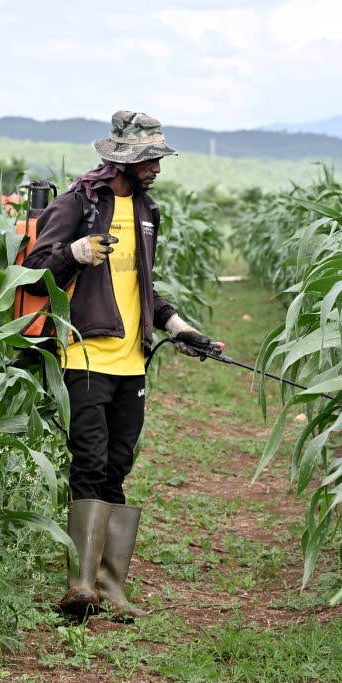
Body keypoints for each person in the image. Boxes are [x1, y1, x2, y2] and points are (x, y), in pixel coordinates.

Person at [21, 110, 219, 621]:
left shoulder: (149, 211)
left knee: (116, 468)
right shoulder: (75, 206)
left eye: (158, 158)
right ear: (121, 161)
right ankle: (80, 587)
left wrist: (181, 330)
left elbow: (142, 288)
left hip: (133, 362)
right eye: (149, 159)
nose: (156, 167)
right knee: (89, 462)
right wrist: (76, 252)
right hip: (84, 353)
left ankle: (111, 589)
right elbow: (31, 273)